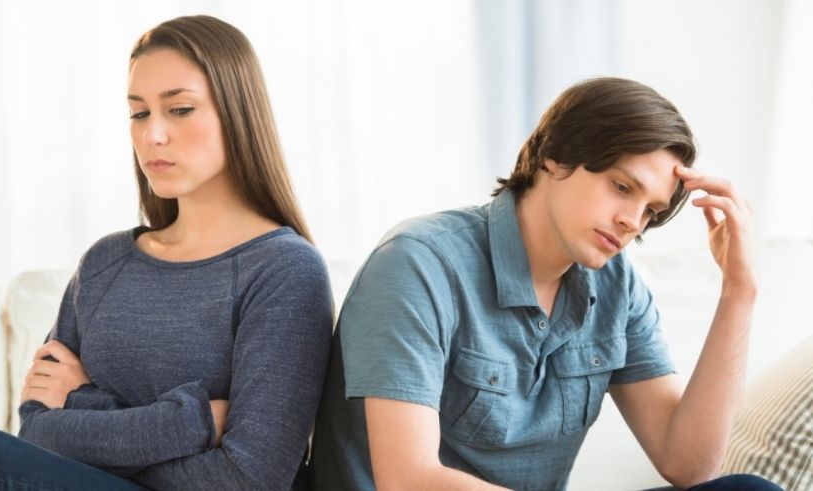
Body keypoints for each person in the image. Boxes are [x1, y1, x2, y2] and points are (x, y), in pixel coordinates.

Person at [311, 78, 780, 490]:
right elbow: (409, 480)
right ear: (555, 157)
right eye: (622, 187)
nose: (632, 221)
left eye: (651, 211)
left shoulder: (617, 286)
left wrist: (739, 292)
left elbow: (689, 466)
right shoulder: (419, 264)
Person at [0, 15, 333, 491]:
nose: (152, 135)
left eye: (179, 109)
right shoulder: (105, 263)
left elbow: (249, 478)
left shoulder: (285, 270)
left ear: (238, 112)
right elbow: (36, 430)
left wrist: (79, 407)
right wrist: (192, 423)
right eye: (139, 113)